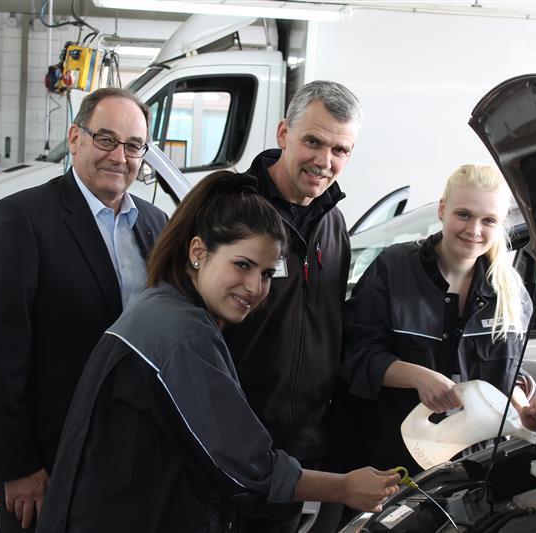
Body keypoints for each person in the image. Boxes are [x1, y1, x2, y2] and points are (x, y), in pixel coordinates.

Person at [35, 171, 401, 533]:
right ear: (198, 252)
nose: (254, 287)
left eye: (267, 274)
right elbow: (248, 467)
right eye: (242, 265)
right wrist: (344, 487)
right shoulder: (181, 334)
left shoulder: (161, 305)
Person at [0, 87, 168, 532]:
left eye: (134, 146)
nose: (120, 156)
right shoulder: (22, 218)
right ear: (76, 138)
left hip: (130, 457)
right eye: (106, 139)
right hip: (48, 463)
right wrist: (18, 466)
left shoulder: (156, 225)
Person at [337, 164, 536, 475]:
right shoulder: (394, 268)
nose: (474, 230)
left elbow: (506, 375)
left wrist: (523, 412)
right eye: (464, 215)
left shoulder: (510, 291)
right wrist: (418, 377)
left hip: (472, 466)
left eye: (488, 220)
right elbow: (356, 355)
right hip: (390, 458)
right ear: (442, 209)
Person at [222, 81, 361, 532]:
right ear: (284, 133)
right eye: (313, 142)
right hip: (233, 442)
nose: (324, 161)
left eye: (339, 150)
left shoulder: (333, 223)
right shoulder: (235, 210)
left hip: (301, 449)